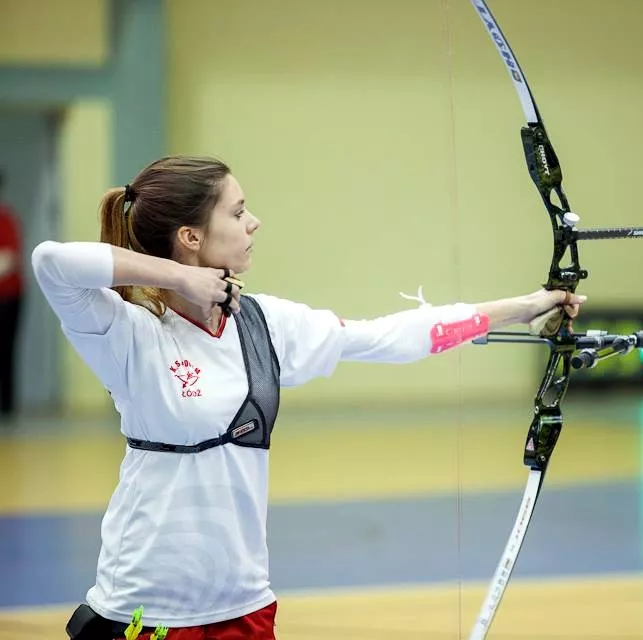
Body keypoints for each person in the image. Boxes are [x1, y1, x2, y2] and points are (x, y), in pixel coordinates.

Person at [31, 155, 585, 640]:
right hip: (144, 609)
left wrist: (525, 304)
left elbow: (389, 336)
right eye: (238, 210)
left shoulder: (266, 323)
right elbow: (52, 262)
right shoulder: (129, 333)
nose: (254, 222)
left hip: (242, 605)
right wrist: (182, 279)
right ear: (191, 237)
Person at [0, 169, 23, 420]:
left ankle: (6, 408)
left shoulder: (4, 219)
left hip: (6, 298)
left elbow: (7, 260)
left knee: (4, 352)